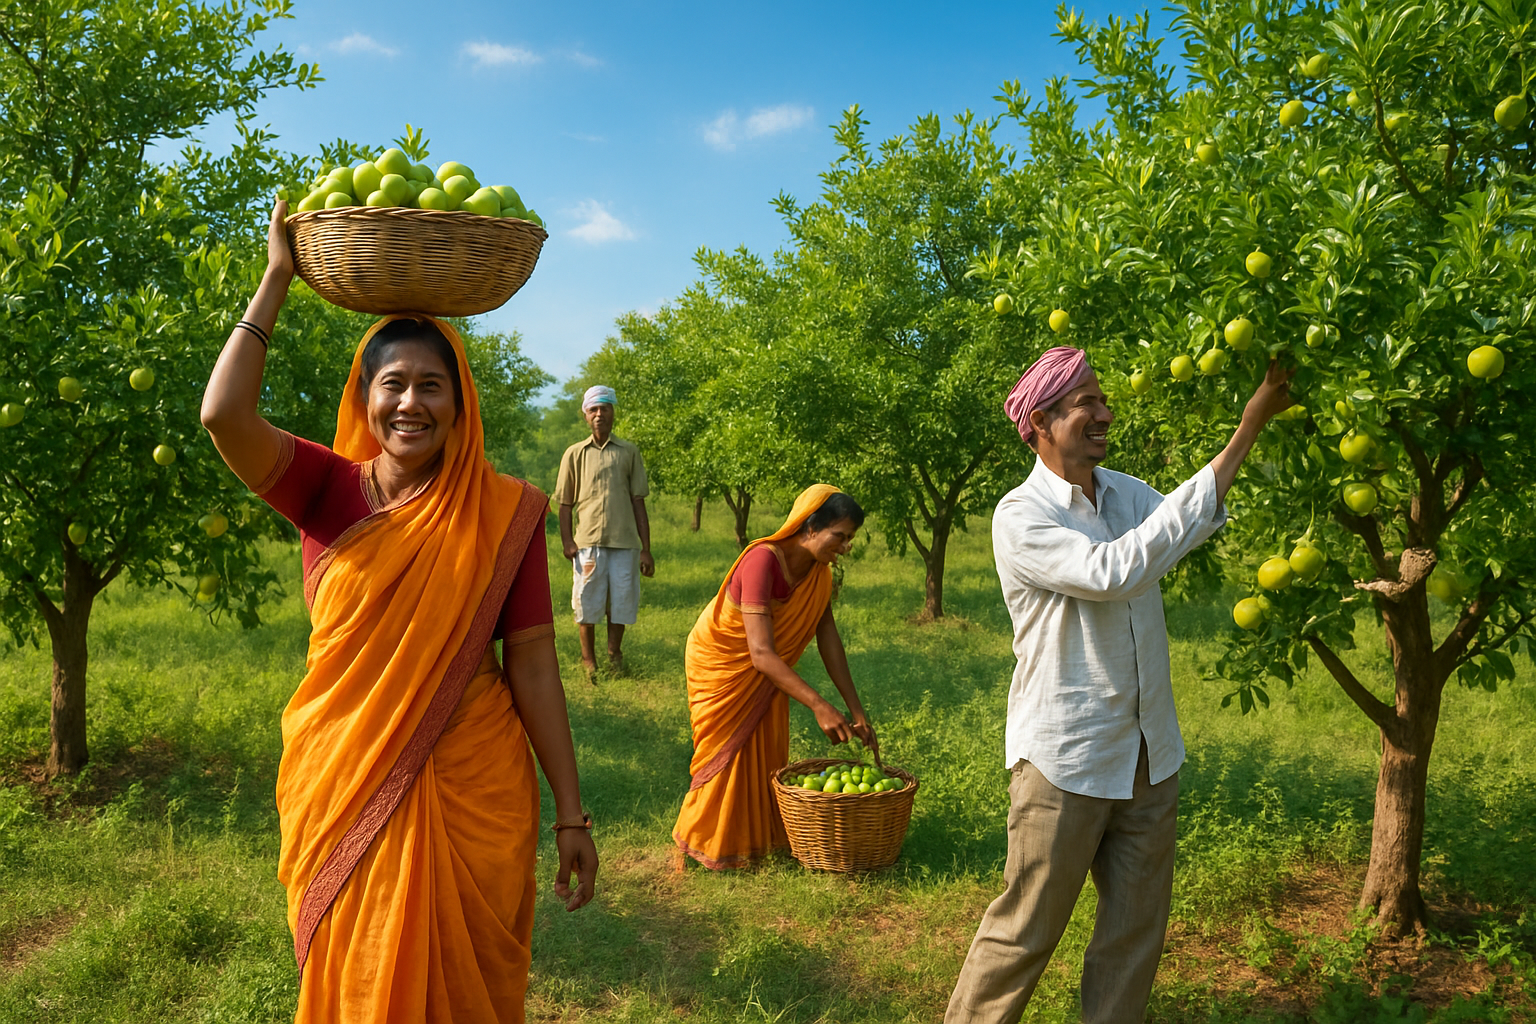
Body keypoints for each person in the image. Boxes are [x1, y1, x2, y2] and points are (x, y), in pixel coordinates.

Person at [200, 199, 599, 1024]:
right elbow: (221, 417)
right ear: (365, 395)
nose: (410, 404)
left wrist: (570, 813)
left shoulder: (509, 510)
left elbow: (530, 664)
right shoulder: (325, 488)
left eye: (431, 386)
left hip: (472, 787)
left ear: (461, 404)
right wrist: (277, 279)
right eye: (393, 385)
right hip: (342, 775)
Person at [945, 347, 1295, 1024]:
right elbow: (1116, 571)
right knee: (1024, 932)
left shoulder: (1126, 493)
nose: (1104, 414)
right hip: (1067, 757)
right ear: (1041, 422)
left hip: (1147, 753)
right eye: (1086, 404)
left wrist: (1260, 433)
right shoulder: (1020, 516)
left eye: (1103, 400)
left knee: (1134, 938)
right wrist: (1245, 427)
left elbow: (1190, 521)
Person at [673, 485, 878, 870]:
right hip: (720, 661)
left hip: (768, 667)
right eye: (840, 536)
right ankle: (700, 839)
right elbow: (762, 653)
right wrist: (819, 705)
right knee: (723, 755)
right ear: (810, 527)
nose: (846, 547)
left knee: (761, 752)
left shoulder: (820, 574)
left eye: (850, 539)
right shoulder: (762, 561)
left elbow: (828, 638)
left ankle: (754, 844)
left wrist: (856, 709)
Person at [555, 386, 653, 677]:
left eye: (605, 408)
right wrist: (567, 541)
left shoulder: (628, 452)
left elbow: (638, 501)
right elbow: (564, 503)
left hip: (624, 543)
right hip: (587, 544)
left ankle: (614, 656)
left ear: (613, 413)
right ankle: (589, 662)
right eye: (593, 410)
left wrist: (646, 548)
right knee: (586, 604)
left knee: (620, 604)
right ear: (585, 415)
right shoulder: (575, 454)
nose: (599, 414)